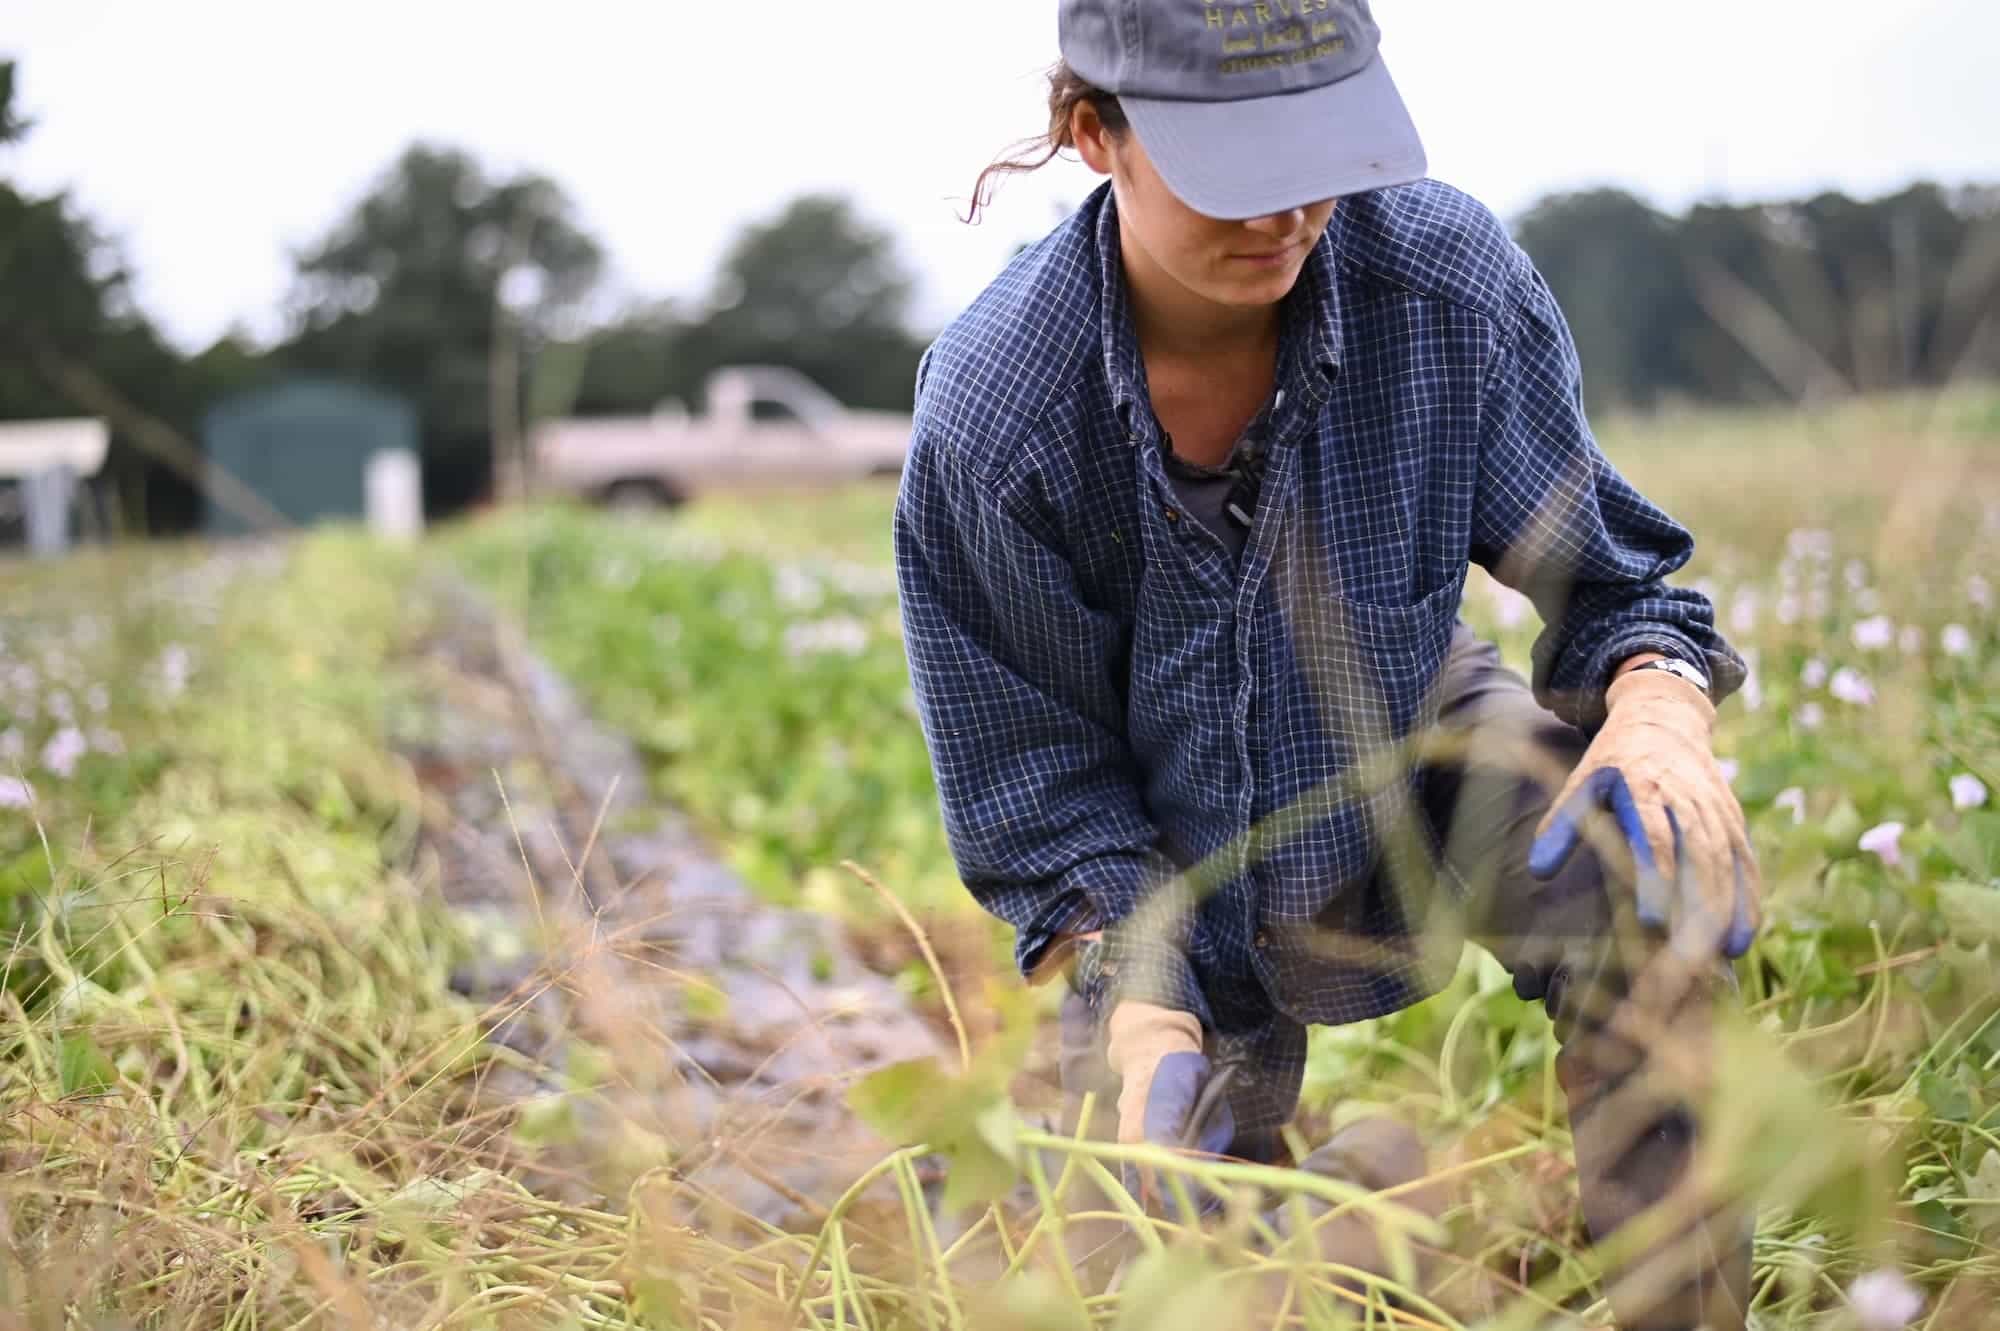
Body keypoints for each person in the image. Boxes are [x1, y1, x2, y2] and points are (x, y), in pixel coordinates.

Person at [892, 2, 1761, 1326]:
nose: (1288, 210)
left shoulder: (1444, 282)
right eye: (1236, 168)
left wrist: (1658, 716)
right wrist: (1139, 1012)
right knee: (1164, 1267)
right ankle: (1355, 1201)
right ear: (1094, 135)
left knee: (1635, 875)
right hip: (1160, 845)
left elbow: (1617, 587)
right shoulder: (998, 416)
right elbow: (1048, 794)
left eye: (1319, 151)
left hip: (1413, 725)